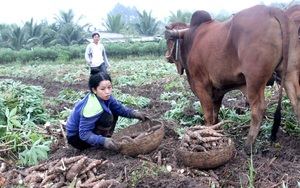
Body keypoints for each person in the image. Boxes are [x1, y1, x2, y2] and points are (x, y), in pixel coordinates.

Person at [66, 69, 148, 151]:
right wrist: (103, 141)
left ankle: (103, 139)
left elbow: (119, 108)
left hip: (83, 133)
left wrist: (134, 114)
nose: (107, 92)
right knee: (107, 117)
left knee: (114, 110)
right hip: (76, 138)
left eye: (109, 87)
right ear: (94, 90)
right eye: (103, 89)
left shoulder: (105, 97)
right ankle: (98, 144)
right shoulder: (91, 106)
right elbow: (84, 134)